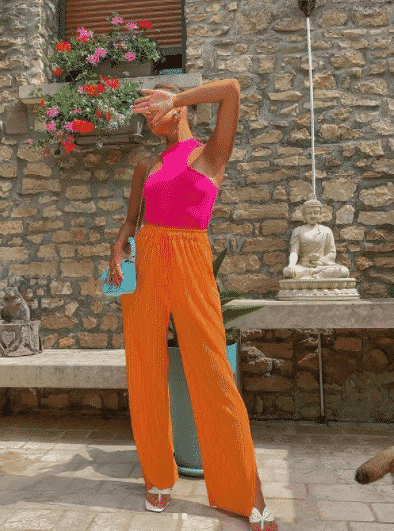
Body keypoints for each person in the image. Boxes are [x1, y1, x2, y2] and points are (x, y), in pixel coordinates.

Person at [108, 79, 278, 531]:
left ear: (178, 109)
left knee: (212, 370)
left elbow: (233, 90)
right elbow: (131, 219)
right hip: (146, 264)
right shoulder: (147, 164)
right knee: (144, 368)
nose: (146, 115)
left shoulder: (211, 153)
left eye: (152, 107)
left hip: (190, 260)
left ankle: (247, 491)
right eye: (144, 109)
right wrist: (119, 247)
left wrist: (175, 96)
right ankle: (159, 477)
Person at [283, 195, 349, 279]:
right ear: (304, 215)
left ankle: (311, 278)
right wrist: (291, 265)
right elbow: (294, 252)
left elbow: (332, 253)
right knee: (287, 272)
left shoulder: (326, 231)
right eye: (309, 213)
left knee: (343, 271)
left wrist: (320, 262)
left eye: (316, 213)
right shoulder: (298, 231)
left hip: (321, 266)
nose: (313, 216)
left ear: (320, 214)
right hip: (304, 267)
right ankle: (316, 279)